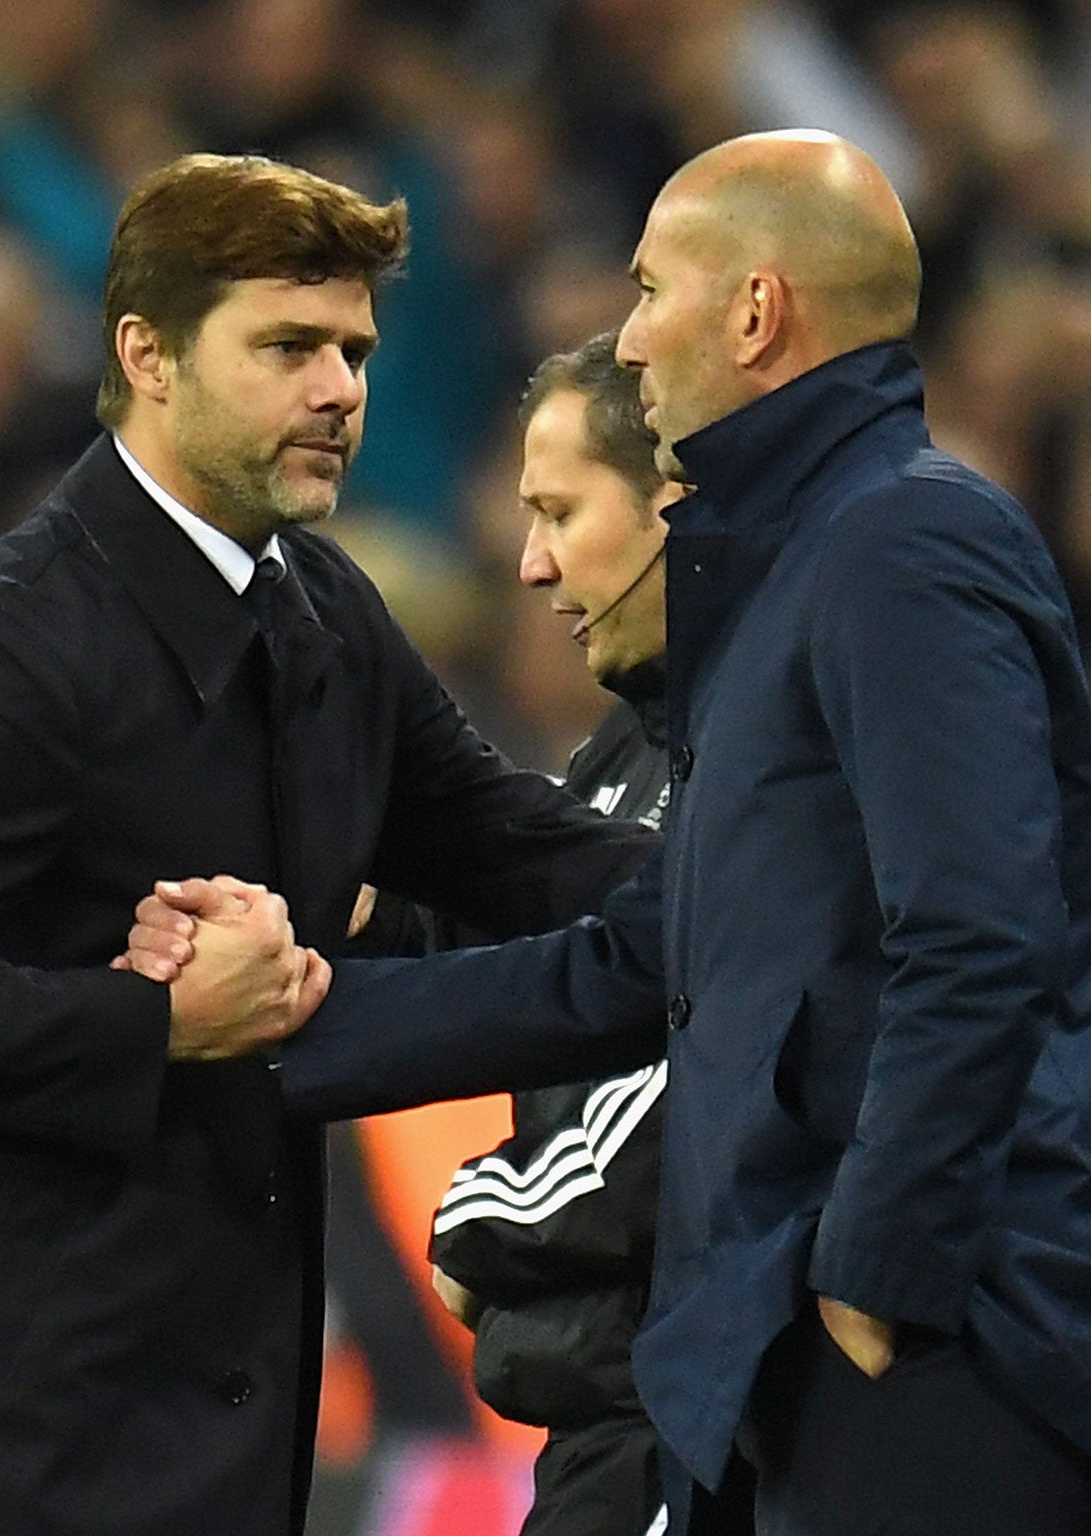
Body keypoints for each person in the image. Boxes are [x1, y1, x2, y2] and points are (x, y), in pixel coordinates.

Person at [133, 132, 1091, 1535]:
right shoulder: (781, 589)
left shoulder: (905, 542)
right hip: (801, 1375)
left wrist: (879, 1274)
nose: (628, 340)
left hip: (967, 1367)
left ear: (757, 314)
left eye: (650, 292)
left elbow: (979, 932)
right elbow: (637, 965)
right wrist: (296, 1013)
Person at [0, 152, 652, 1536]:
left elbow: (514, 854)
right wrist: (149, 1021)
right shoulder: (14, 645)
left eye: (353, 349)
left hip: (195, 1415)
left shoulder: (324, 611)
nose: (341, 390)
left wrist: (791, 892)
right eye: (288, 347)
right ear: (148, 357)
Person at [426, 331, 678, 1536]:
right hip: (597, 1415)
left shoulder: (773, 747)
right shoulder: (621, 750)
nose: (530, 565)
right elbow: (527, 964)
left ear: (670, 503)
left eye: (559, 512)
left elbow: (693, 1061)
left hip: (691, 1415)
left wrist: (494, 1213)